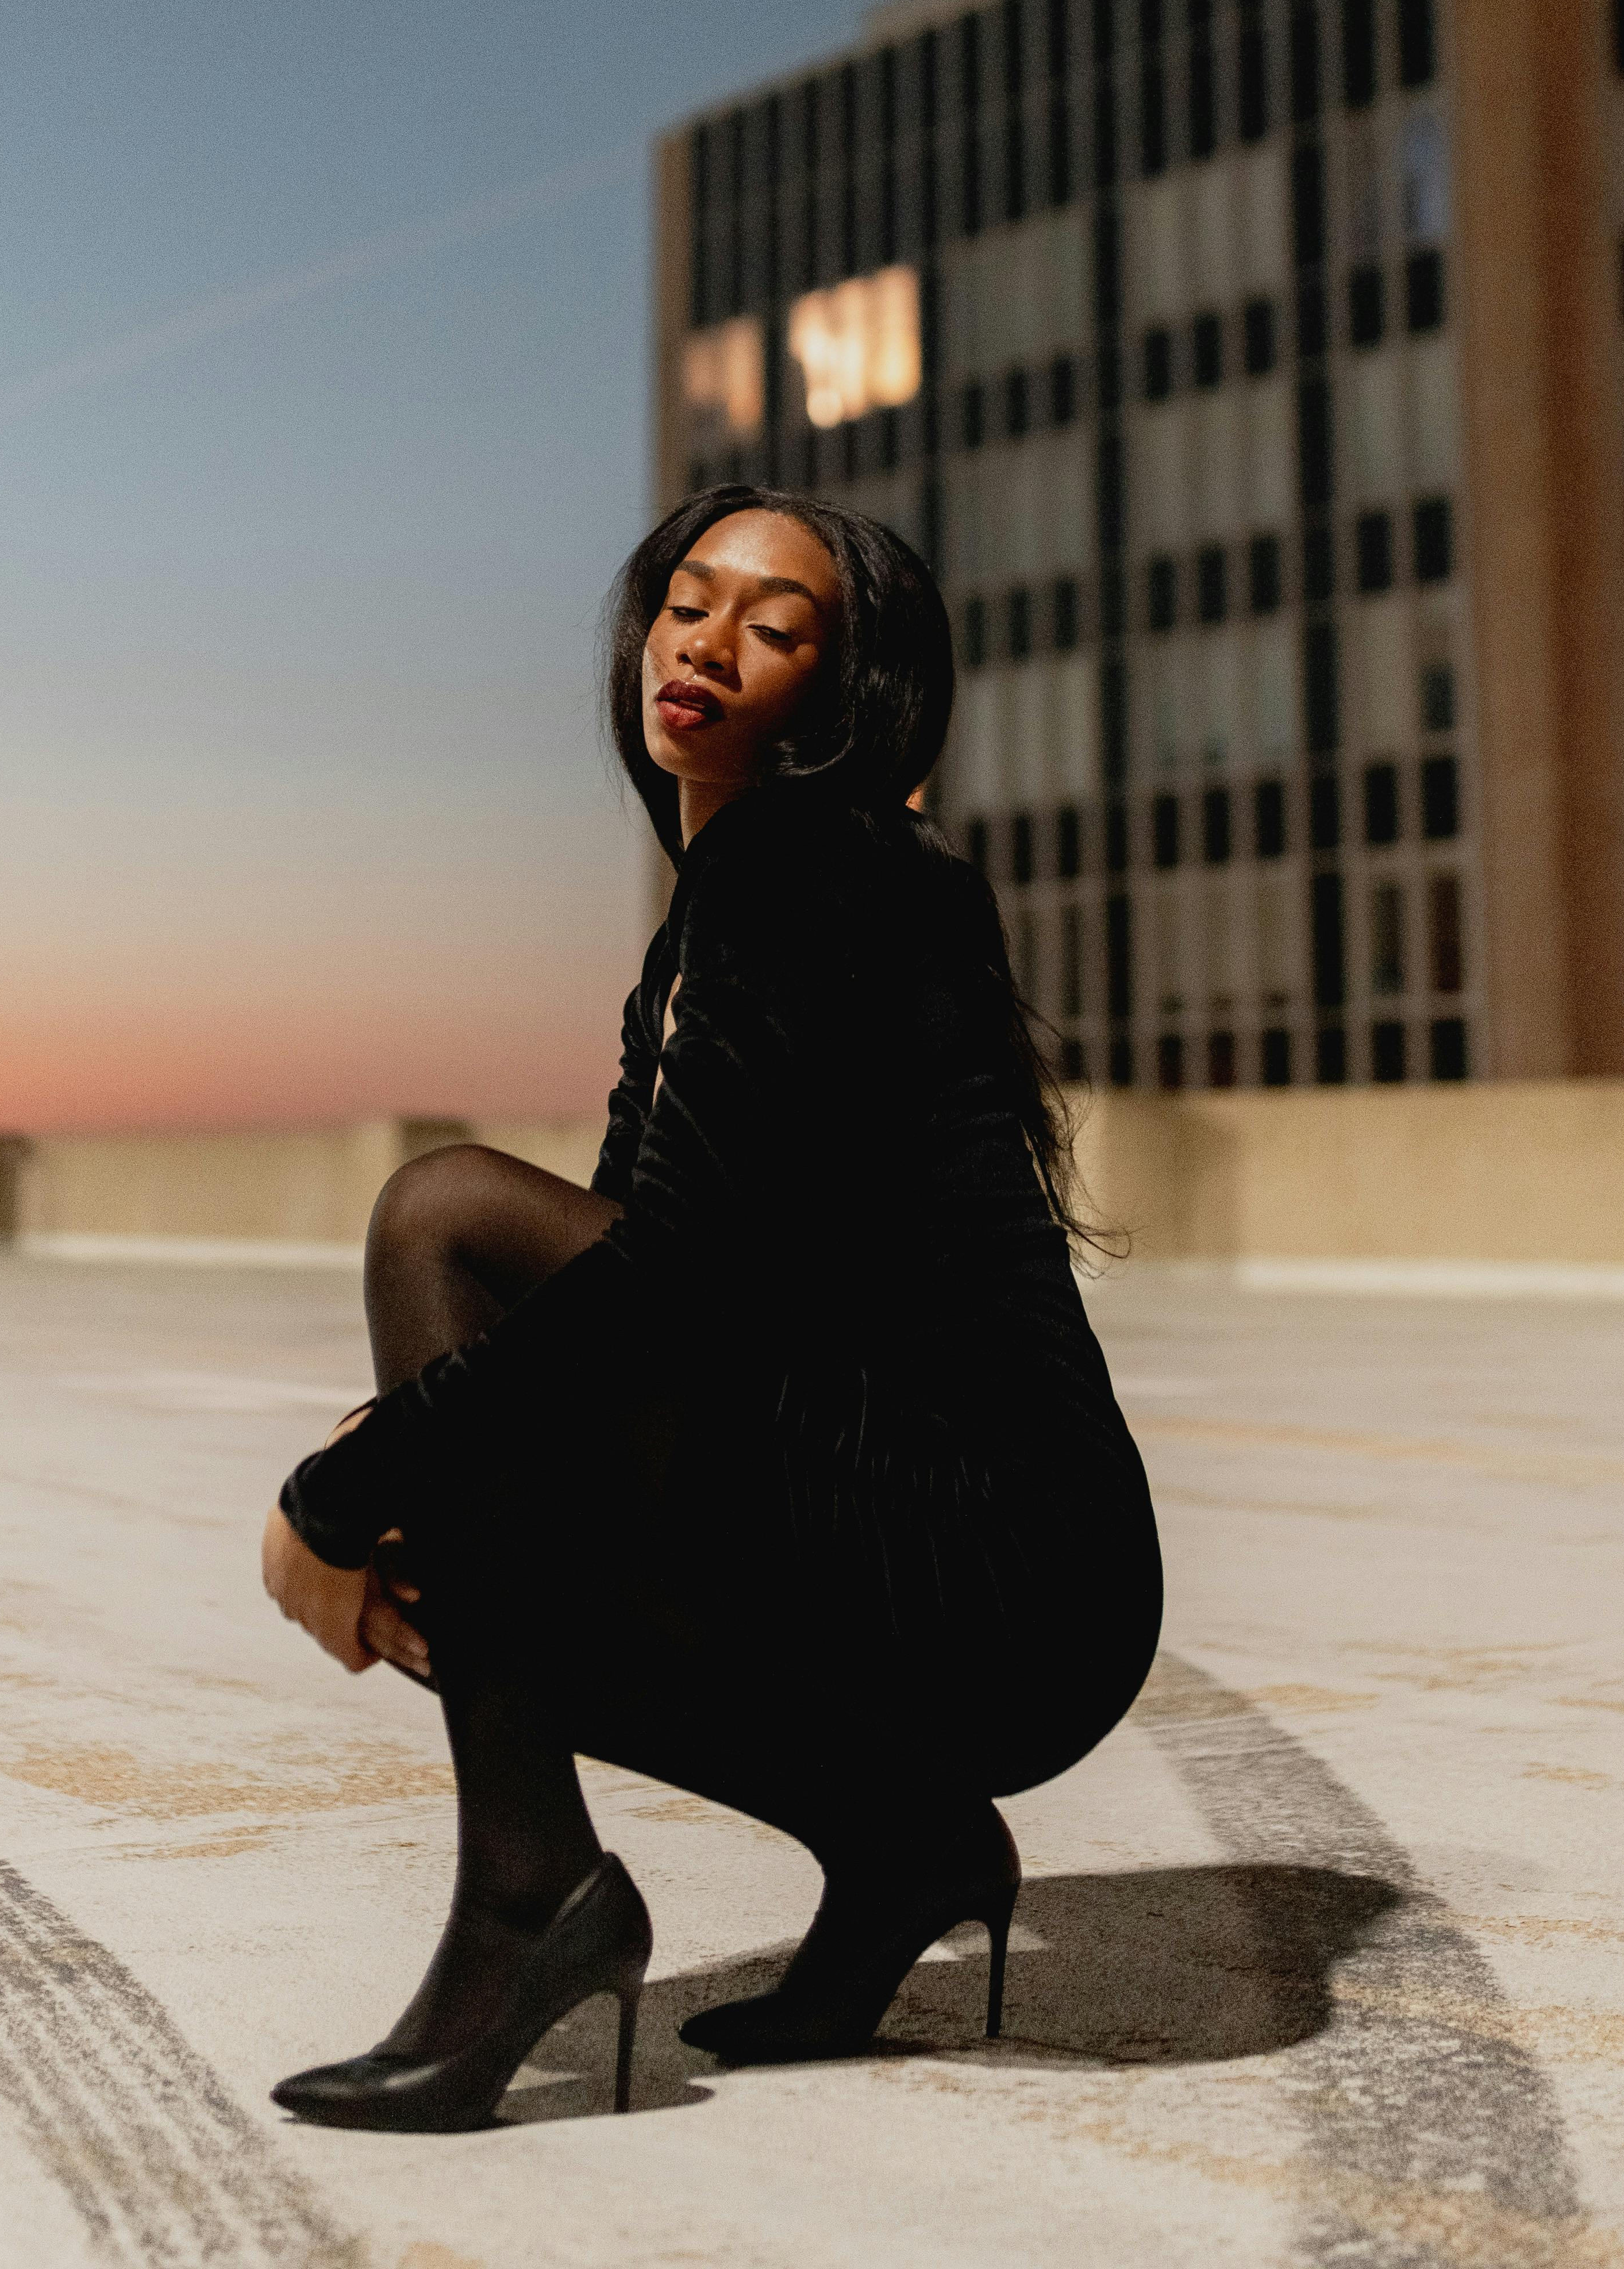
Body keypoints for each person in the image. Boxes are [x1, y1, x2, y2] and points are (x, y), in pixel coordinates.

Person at [257, 484, 1162, 2131]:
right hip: (944, 1546)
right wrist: (407, 1472)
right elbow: (617, 1286)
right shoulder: (716, 928)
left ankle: (528, 1896)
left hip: (1006, 1555)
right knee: (470, 1512)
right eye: (689, 601)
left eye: (777, 623)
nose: (711, 643)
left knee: (440, 1213)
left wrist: (339, 1490)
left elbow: (658, 1292)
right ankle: (901, 1842)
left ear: (842, 689)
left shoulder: (815, 875)